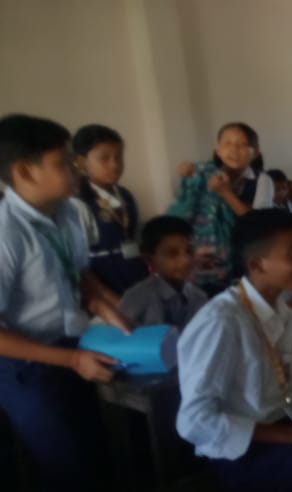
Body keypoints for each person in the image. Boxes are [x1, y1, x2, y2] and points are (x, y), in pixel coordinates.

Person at [0, 114, 131, 490]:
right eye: (63, 163)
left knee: (100, 447)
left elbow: (78, 273)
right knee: (68, 465)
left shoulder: (70, 211)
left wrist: (105, 307)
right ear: (25, 171)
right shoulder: (6, 233)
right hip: (24, 364)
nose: (77, 169)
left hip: (73, 344)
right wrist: (72, 359)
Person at [176, 209, 292, 492]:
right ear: (256, 264)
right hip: (243, 453)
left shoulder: (281, 309)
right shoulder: (222, 321)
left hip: (286, 426)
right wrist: (286, 435)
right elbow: (194, 421)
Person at [167, 122, 275, 295]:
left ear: (255, 152)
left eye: (242, 144)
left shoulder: (263, 181)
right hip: (204, 261)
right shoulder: (201, 176)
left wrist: (225, 191)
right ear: (218, 149)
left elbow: (256, 223)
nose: (234, 150)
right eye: (227, 143)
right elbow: (183, 214)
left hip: (244, 262)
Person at [72, 123, 149, 294]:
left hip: (135, 272)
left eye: (119, 157)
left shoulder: (125, 195)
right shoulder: (79, 202)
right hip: (103, 280)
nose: (115, 165)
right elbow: (79, 264)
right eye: (104, 158)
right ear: (81, 162)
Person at [119, 216, 208, 329]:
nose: (185, 260)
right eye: (172, 253)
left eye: (189, 251)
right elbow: (120, 335)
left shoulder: (199, 298)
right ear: (149, 259)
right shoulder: (136, 299)